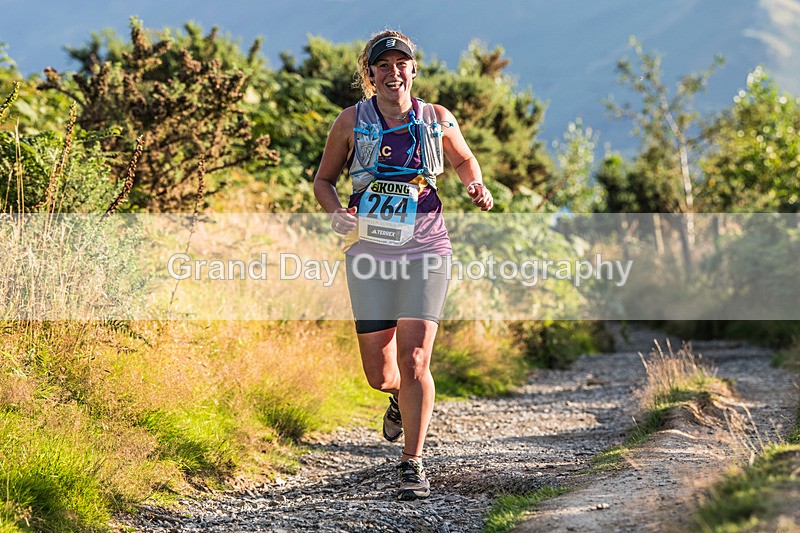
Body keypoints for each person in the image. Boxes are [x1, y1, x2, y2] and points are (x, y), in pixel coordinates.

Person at [313, 30, 493, 501]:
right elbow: (324, 181)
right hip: (370, 250)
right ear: (370, 74)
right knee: (382, 372)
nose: (393, 72)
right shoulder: (350, 121)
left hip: (427, 248)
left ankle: (412, 462)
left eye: (401, 64)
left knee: (416, 358)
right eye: (383, 65)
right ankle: (397, 397)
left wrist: (476, 185)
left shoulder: (437, 118)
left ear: (413, 71)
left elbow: (464, 159)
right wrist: (336, 212)